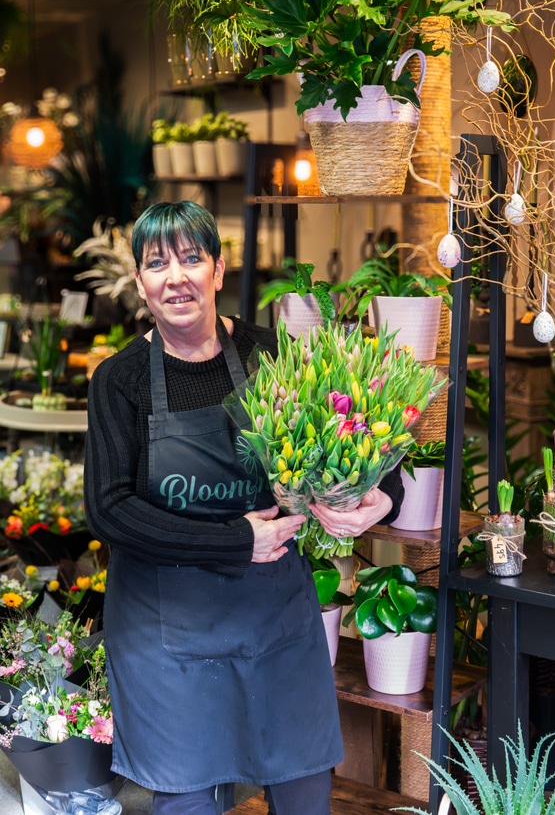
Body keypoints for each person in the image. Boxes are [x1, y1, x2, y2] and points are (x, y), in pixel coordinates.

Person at [84, 200, 404, 815]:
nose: (175, 277)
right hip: (166, 636)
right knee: (187, 802)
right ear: (141, 282)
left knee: (306, 789)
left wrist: (377, 500)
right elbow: (109, 510)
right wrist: (237, 541)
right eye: (156, 264)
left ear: (219, 269)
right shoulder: (118, 380)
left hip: (274, 623)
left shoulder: (270, 357)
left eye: (191, 258)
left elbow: (382, 451)